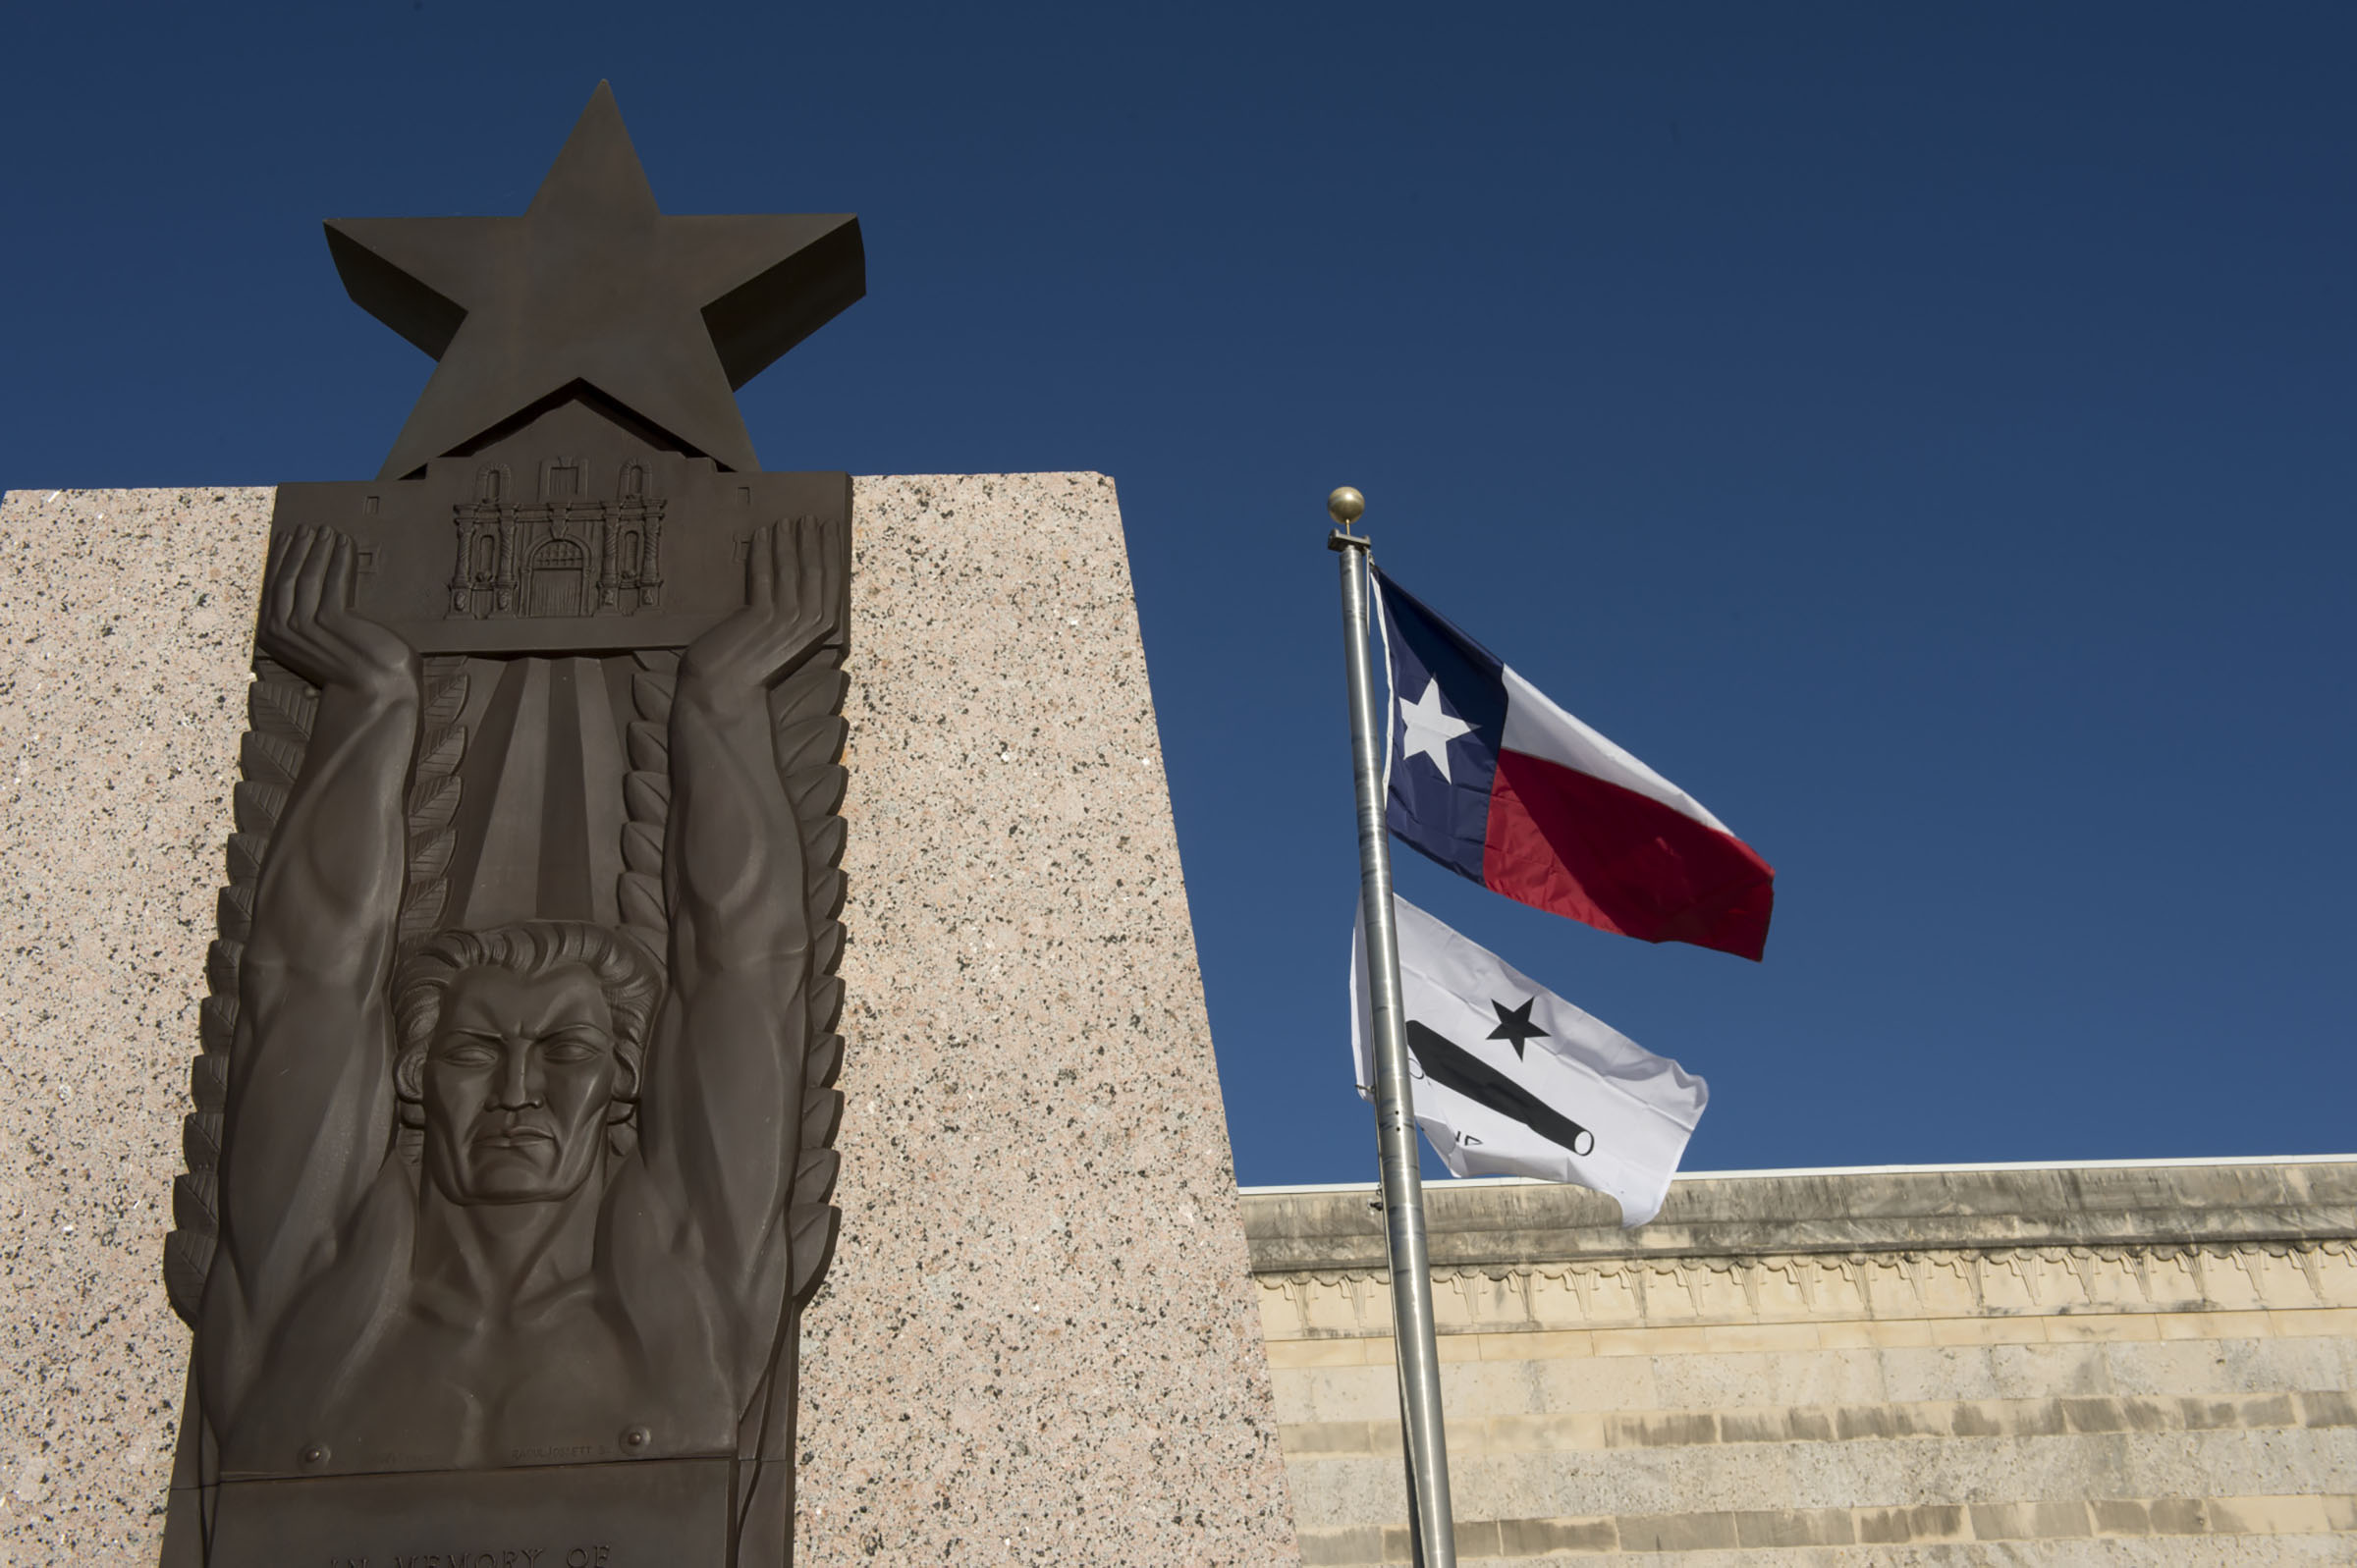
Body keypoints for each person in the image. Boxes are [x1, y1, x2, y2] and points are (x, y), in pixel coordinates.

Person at [198, 520, 831, 1476]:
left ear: (623, 1078)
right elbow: (304, 978)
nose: (519, 1090)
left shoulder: (691, 1289)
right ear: (411, 1077)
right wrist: (369, 702)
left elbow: (743, 965)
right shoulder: (307, 1290)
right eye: (472, 1051)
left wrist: (723, 702)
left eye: (567, 1052)